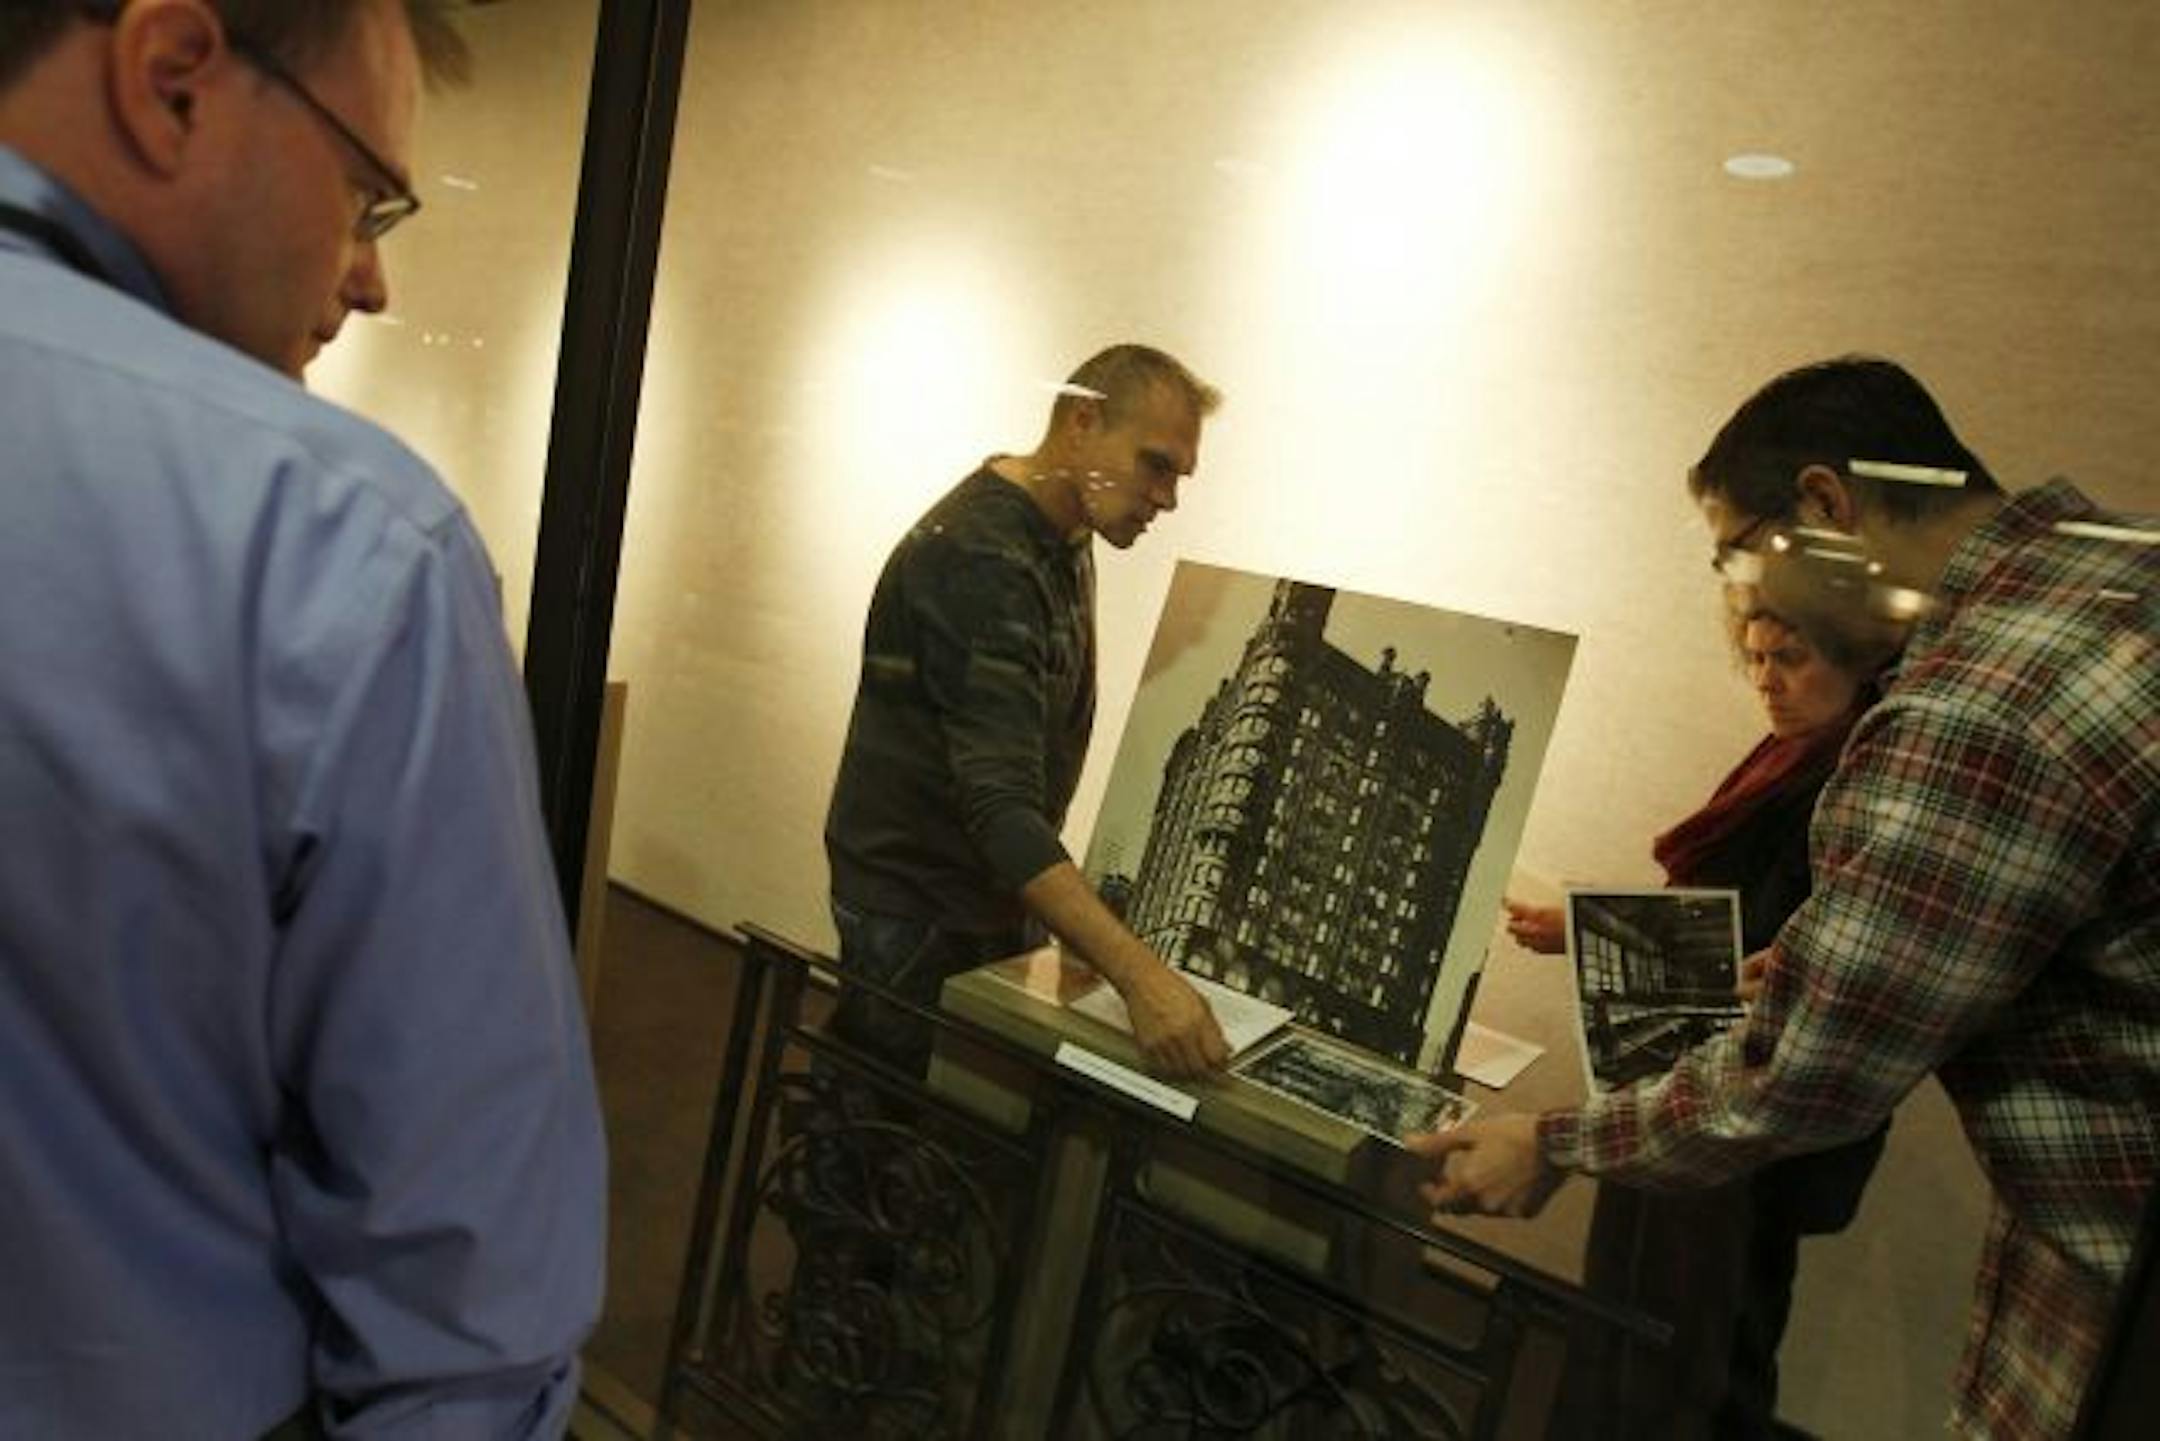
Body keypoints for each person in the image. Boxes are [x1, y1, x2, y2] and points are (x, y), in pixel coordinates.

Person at [0, 3, 606, 1437]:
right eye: (365, 191)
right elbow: (467, 1321)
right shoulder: (343, 545)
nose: (376, 280)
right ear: (176, 78)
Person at [1412, 357, 2158, 1439]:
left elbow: (1803, 1067)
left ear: (1823, 506)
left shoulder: (1976, 708)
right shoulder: (2114, 573)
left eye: (1740, 554)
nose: (1750, 602)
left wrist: (1554, 1144)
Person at [1505, 605, 1887, 1439]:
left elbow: (1775, 965)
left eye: (1789, 657)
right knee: (1643, 1329)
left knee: (1697, 1357)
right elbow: (1732, 927)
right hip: (1680, 1096)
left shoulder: (1853, 783)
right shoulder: (1792, 758)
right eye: (1753, 658)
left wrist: (1596, 934)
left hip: (1744, 1125)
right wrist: (1584, 931)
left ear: (1856, 654)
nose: (1766, 681)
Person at [824, 344, 1232, 1079]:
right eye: (1157, 464)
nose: (1168, 498)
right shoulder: (983, 557)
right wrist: (1139, 976)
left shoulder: (1064, 530)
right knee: (890, 1138)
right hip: (920, 904)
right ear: (1083, 422)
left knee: (926, 1130)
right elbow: (1000, 803)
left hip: (967, 894)